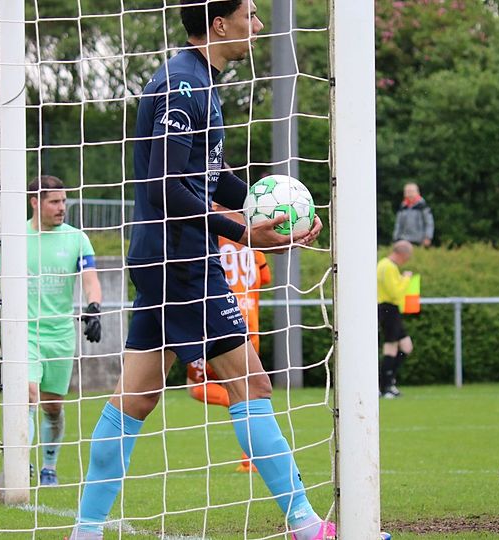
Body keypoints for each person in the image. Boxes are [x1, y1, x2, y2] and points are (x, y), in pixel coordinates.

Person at [68, 1, 357, 539]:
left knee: (135, 398)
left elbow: (210, 175)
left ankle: (85, 532)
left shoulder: (197, 79)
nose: (259, 26)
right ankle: (307, 527)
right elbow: (167, 186)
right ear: (219, 24)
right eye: (251, 15)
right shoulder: (183, 85)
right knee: (253, 385)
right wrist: (245, 234)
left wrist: (274, 209)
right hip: (182, 259)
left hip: (165, 255)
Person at [0, 175, 103, 487]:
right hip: (23, 334)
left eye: (64, 201)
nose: (62, 207)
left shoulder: (77, 239)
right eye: (55, 201)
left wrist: (94, 307)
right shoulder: (12, 238)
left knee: (52, 407)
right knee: (27, 394)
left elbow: (90, 279)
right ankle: (20, 462)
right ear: (35, 202)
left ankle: (48, 467)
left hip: (61, 335)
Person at [185, 208, 270, 473]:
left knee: (196, 387)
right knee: (249, 389)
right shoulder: (253, 236)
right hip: (249, 325)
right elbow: (265, 278)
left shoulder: (210, 233)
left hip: (216, 320)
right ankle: (251, 457)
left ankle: (235, 406)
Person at [377, 240, 414, 398]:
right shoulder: (388, 267)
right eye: (407, 258)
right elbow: (395, 293)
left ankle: (388, 381)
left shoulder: (384, 265)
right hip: (388, 309)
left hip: (392, 310)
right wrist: (406, 279)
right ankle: (384, 386)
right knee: (391, 347)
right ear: (402, 254)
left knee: (406, 346)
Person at [392, 182, 434, 247]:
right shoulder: (403, 207)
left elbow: (429, 223)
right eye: (407, 192)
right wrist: (396, 238)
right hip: (404, 240)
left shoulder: (423, 207)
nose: (409, 194)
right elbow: (398, 224)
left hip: (420, 240)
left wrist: (428, 237)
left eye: (411, 191)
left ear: (417, 192)